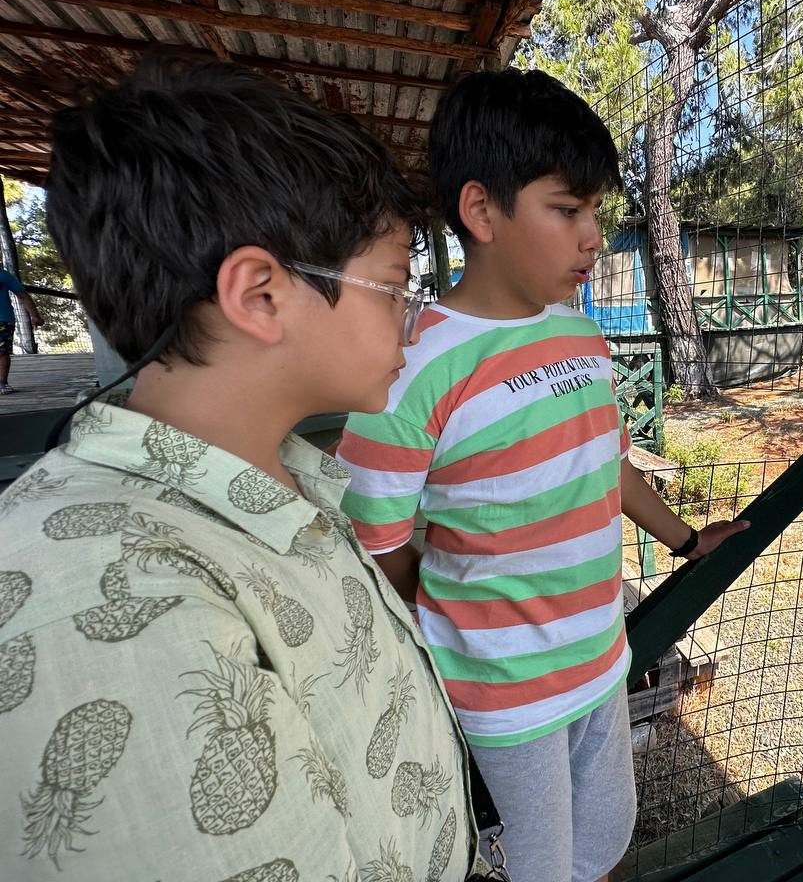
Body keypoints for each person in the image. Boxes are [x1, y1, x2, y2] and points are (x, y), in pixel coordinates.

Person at [0, 56, 485, 881]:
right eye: (396, 286)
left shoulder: (282, 481)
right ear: (260, 295)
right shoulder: (108, 607)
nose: (412, 322)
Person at [337, 69, 749, 882]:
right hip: (504, 689)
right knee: (543, 862)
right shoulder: (410, 365)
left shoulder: (580, 338)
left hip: (600, 656)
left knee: (607, 835)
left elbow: (608, 465)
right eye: (567, 210)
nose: (592, 235)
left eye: (594, 211)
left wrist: (686, 536)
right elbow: (375, 541)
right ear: (481, 210)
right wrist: (465, 617)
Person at [0, 265, 44, 394]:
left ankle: (2, 383)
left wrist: (35, 315)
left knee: (2, 351)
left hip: (3, 319)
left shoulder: (3, 275)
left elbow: (22, 295)